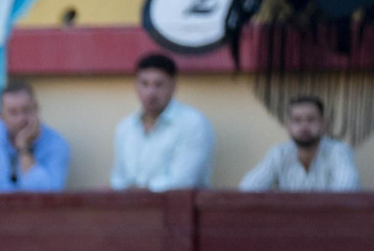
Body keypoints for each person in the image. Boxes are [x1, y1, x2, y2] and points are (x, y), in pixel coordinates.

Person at [110, 52, 214, 191]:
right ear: (136, 86)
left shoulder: (192, 123)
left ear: (173, 86)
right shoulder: (125, 127)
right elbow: (118, 179)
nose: (150, 92)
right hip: (131, 209)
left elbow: (183, 181)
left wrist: (140, 191)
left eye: (158, 84)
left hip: (179, 210)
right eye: (144, 84)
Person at [239, 96, 361, 192]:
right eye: (297, 120)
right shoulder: (279, 154)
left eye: (311, 119)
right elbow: (248, 188)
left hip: (330, 221)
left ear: (323, 124)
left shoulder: (338, 151)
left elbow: (347, 190)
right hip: (289, 221)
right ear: (288, 127)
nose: (304, 126)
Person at [0, 81, 71, 192]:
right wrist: (21, 195)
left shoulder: (56, 143)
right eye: (13, 112)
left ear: (36, 109)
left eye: (26, 110)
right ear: (0, 116)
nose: (21, 119)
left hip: (35, 210)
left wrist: (24, 149)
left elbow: (49, 194)